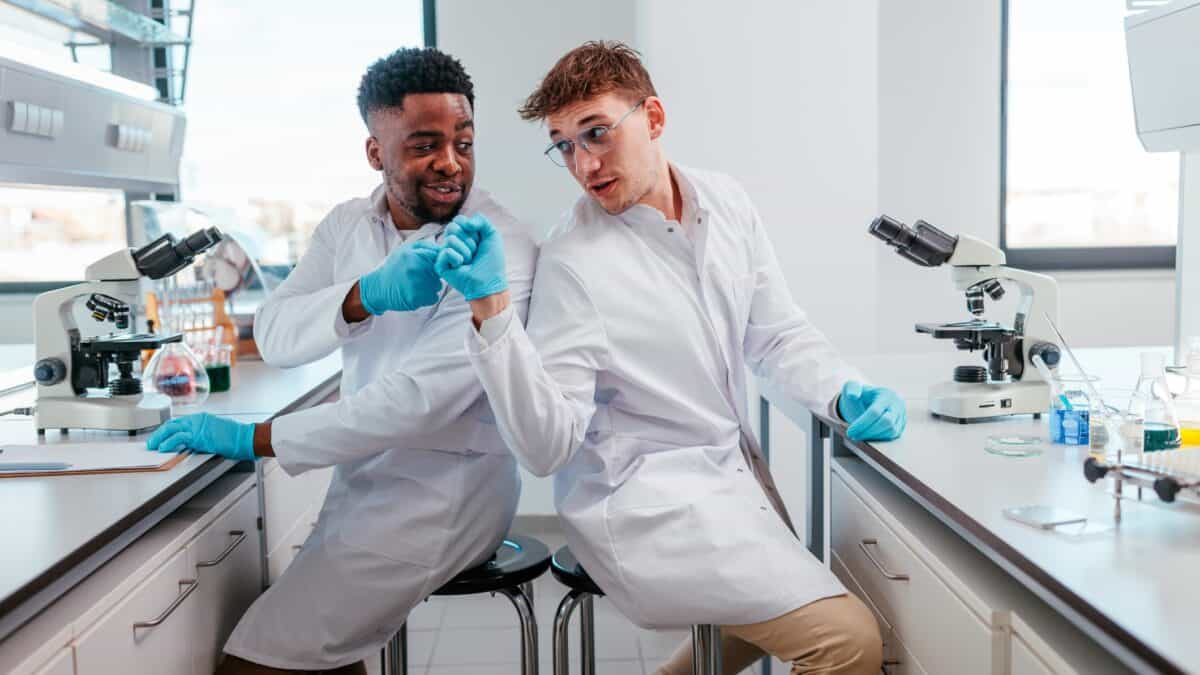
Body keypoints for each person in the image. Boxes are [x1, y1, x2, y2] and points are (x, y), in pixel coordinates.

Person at [434, 41, 904, 675]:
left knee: (774, 607)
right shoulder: (575, 261)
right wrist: (492, 314)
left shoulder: (725, 202)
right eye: (565, 145)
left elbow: (777, 333)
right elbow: (547, 447)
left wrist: (846, 391)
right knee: (845, 640)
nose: (584, 163)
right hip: (643, 503)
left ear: (652, 118)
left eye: (596, 133)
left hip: (728, 478)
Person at [146, 47, 537, 674]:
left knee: (257, 662)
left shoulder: (499, 242)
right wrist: (363, 295)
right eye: (423, 145)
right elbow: (276, 333)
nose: (450, 163)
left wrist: (258, 437)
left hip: (445, 491)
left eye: (463, 142)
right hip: (363, 482)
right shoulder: (347, 226)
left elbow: (418, 404)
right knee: (315, 648)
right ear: (375, 152)